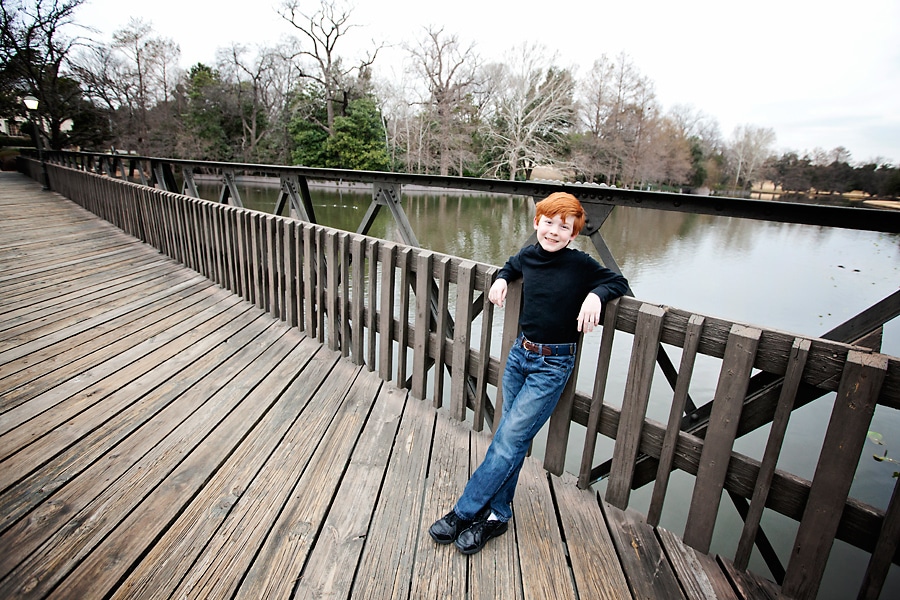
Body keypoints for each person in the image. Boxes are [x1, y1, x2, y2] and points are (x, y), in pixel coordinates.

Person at [429, 191, 629, 555]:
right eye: (548, 223)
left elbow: (618, 282)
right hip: (520, 356)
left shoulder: (580, 264)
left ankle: (464, 512)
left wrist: (596, 295)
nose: (554, 232)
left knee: (508, 440)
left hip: (552, 365)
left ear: (573, 233)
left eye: (564, 227)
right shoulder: (529, 255)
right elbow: (512, 264)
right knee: (511, 440)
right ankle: (498, 515)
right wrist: (503, 278)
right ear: (537, 222)